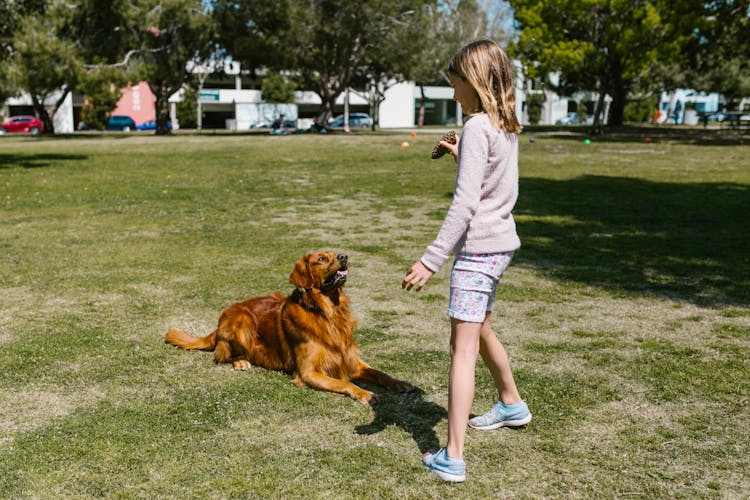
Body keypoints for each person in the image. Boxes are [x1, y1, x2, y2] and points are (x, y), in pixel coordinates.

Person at [401, 39, 531, 483]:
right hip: (500, 246)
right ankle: (511, 403)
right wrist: (460, 155)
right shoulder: (504, 123)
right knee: (482, 326)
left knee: (462, 348)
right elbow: (491, 179)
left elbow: (465, 204)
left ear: (474, 82)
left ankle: (452, 456)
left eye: (456, 83)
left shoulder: (478, 126)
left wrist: (431, 259)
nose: (454, 92)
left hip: (477, 251)